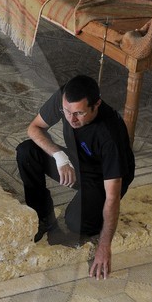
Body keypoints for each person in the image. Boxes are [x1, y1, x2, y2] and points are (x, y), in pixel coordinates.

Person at [16, 74, 135, 280]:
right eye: (67, 112)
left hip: (103, 178)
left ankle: (89, 210)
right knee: (27, 152)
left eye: (79, 114)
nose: (71, 119)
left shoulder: (109, 135)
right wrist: (59, 156)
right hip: (76, 162)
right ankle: (43, 216)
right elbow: (34, 128)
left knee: (75, 223)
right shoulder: (66, 99)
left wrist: (104, 246)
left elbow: (113, 197)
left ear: (96, 105)